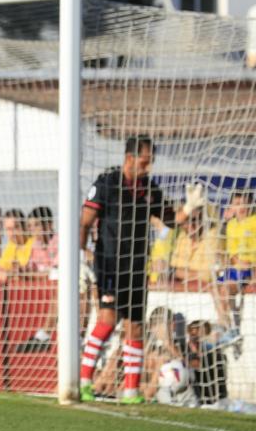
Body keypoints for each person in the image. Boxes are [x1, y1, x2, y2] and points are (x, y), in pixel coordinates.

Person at [78, 136, 206, 403]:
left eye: (151, 163)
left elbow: (170, 220)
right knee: (107, 322)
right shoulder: (107, 183)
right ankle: (84, 381)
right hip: (110, 264)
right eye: (145, 162)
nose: (148, 168)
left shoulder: (149, 188)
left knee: (135, 327)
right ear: (129, 158)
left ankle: (130, 391)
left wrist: (189, 207)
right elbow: (85, 222)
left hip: (137, 268)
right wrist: (81, 254)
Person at [215, 190, 256, 345]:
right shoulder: (231, 225)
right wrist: (224, 222)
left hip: (247, 270)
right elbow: (227, 251)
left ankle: (228, 328)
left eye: (245, 203)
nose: (242, 207)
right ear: (232, 206)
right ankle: (225, 324)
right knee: (212, 287)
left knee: (225, 289)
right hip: (233, 269)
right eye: (238, 204)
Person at [0, 209, 32, 283]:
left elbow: (26, 271)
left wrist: (9, 273)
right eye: (9, 229)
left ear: (24, 226)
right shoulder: (11, 245)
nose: (13, 233)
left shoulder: (33, 243)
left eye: (16, 227)